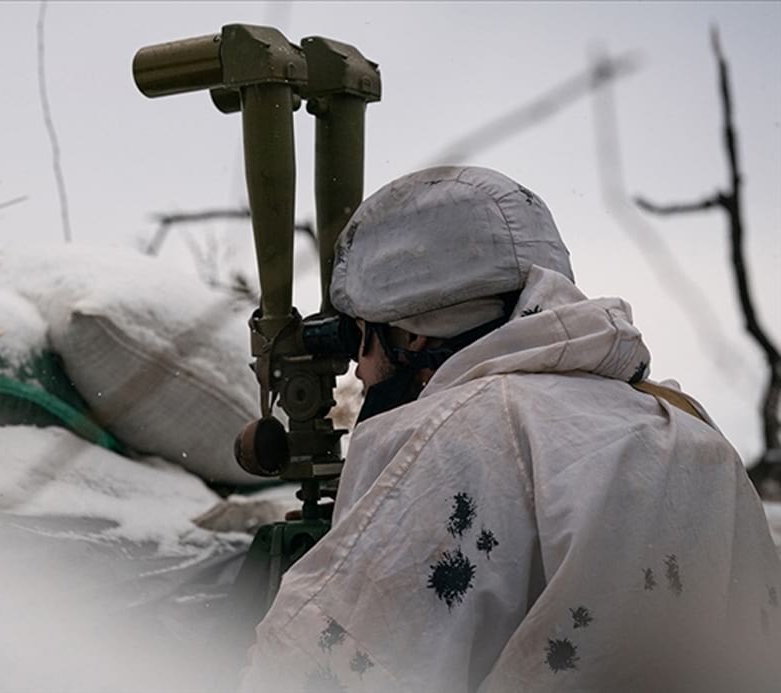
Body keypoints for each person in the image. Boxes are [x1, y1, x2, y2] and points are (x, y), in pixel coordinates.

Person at [240, 166, 781, 692]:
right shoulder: (686, 424)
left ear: (414, 336)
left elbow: (325, 667)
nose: (358, 369)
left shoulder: (464, 434)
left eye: (363, 338)